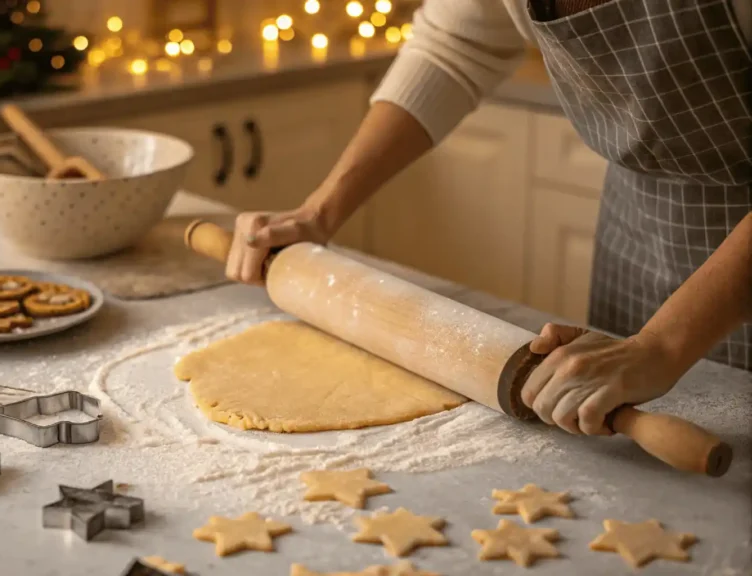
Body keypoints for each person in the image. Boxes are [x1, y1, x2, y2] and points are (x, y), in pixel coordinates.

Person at [224, 0, 751, 436]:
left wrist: (662, 344)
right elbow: (453, 48)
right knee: (606, 436)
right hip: (638, 227)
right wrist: (320, 212)